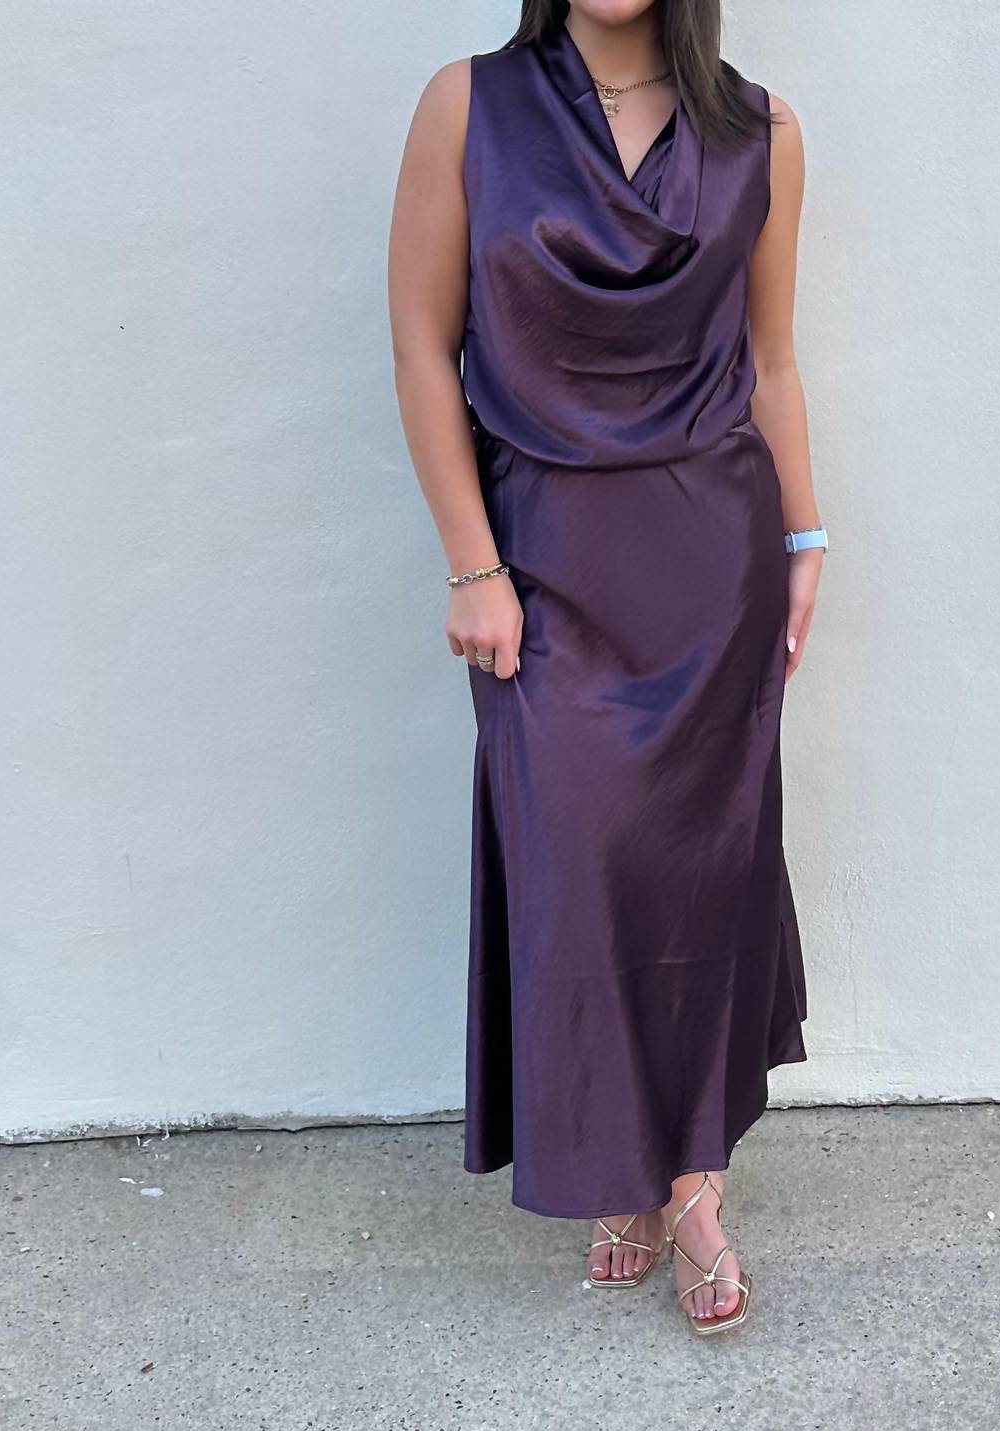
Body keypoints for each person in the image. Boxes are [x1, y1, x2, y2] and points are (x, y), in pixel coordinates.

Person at [388, 0, 824, 1337]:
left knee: (698, 875)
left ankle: (683, 1184)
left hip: (713, 558)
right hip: (546, 557)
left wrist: (804, 537)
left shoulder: (761, 131)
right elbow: (422, 344)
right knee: (577, 868)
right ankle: (630, 1157)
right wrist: (472, 564)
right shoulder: (469, 106)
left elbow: (769, 360)